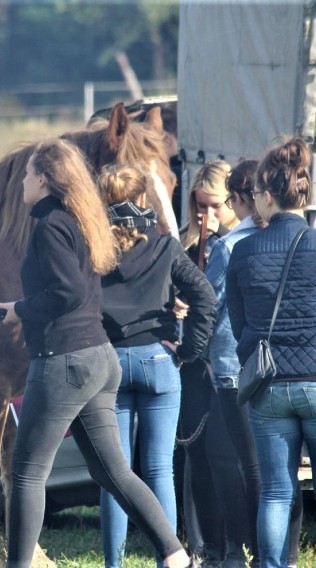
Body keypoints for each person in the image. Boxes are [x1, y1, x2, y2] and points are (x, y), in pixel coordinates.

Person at [0, 139, 193, 568]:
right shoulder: (82, 221)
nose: (23, 182)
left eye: (28, 174)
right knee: (113, 472)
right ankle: (176, 555)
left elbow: (65, 291)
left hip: (63, 361)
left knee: (27, 473)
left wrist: (20, 310)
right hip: (98, 360)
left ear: (45, 179)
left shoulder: (50, 226)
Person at [226, 137, 316, 568]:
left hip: (269, 385)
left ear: (268, 195)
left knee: (275, 491)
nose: (253, 204)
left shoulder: (243, 251)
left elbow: (239, 324)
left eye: (255, 196)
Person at [97, 164, 216, 568]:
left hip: (108, 362)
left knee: (115, 473)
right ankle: (169, 558)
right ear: (144, 201)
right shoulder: (165, 246)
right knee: (158, 468)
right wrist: (188, 350)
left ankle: (113, 563)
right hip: (158, 360)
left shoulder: (93, 251)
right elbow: (204, 296)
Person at [203, 159, 302, 568]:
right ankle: (285, 553)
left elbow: (207, 304)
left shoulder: (229, 247)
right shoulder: (292, 240)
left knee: (248, 465)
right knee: (283, 467)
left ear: (241, 199)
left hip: (235, 367)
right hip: (289, 365)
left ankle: (256, 552)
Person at [177, 159, 240, 563]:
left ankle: (236, 543)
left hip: (228, 363)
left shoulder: (238, 243)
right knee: (196, 455)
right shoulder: (188, 245)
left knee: (230, 458)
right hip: (193, 364)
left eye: (215, 205)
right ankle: (208, 546)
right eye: (200, 206)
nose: (207, 215)